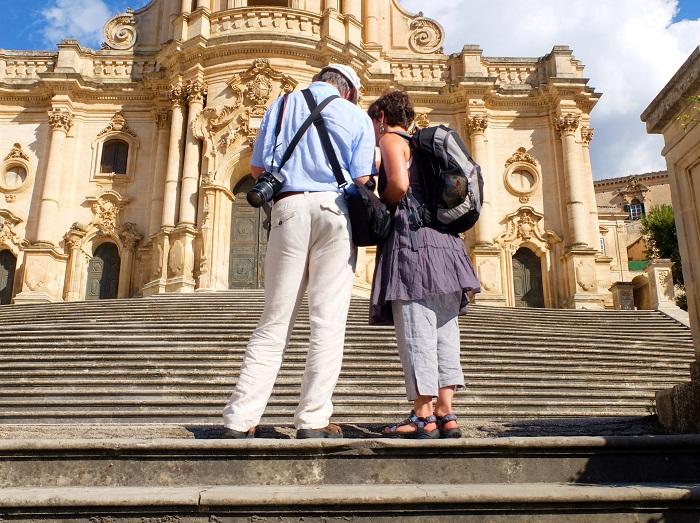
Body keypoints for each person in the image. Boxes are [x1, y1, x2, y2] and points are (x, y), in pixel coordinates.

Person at [222, 64, 376, 439]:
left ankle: (239, 420)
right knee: (327, 321)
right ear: (349, 91)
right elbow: (362, 179)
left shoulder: (283, 104)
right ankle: (312, 420)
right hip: (334, 210)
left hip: (287, 208)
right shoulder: (356, 115)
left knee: (274, 321)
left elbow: (257, 166)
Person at [367, 90, 480, 439]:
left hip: (412, 246)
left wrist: (380, 202)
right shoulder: (424, 146)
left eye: (374, 121)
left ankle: (422, 415)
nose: (373, 128)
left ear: (383, 116)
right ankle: (446, 413)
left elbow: (399, 185)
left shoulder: (390, 140)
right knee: (445, 332)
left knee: (416, 330)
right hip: (447, 247)